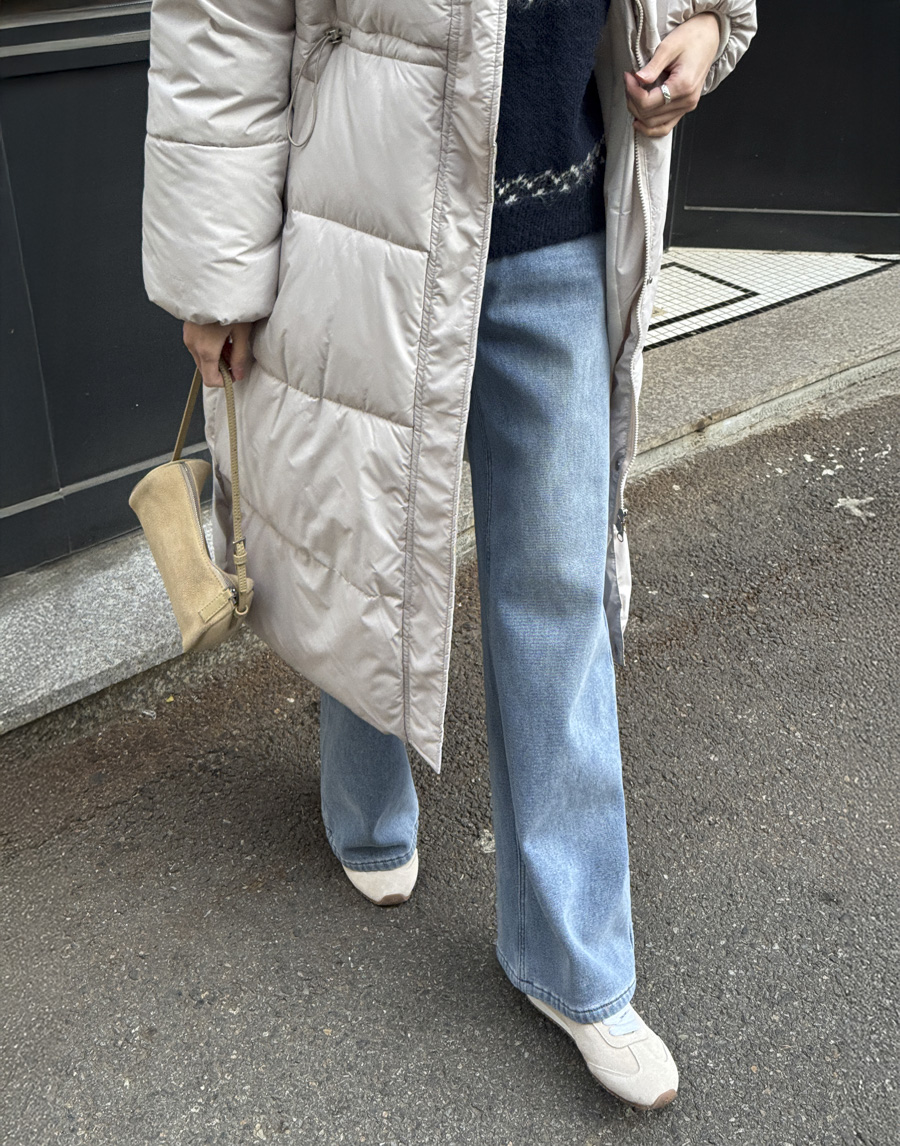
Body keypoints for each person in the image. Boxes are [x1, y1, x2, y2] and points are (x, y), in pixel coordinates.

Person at [143, 0, 756, 1112]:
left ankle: (576, 965)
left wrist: (708, 22)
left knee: (559, 590)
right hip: (367, 225)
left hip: (563, 222)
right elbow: (223, 22)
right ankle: (365, 806)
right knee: (363, 533)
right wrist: (216, 276)